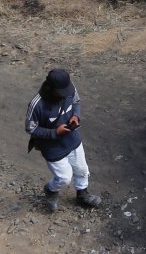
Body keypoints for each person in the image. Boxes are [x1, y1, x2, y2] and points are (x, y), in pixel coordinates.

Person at [25, 68, 102, 211]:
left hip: (72, 139)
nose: (65, 94)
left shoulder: (68, 88)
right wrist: (55, 132)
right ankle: (50, 190)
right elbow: (30, 128)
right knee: (64, 178)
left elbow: (76, 101)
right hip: (52, 147)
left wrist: (76, 115)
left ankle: (82, 194)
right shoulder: (37, 104)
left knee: (82, 169)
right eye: (61, 93)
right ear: (50, 88)